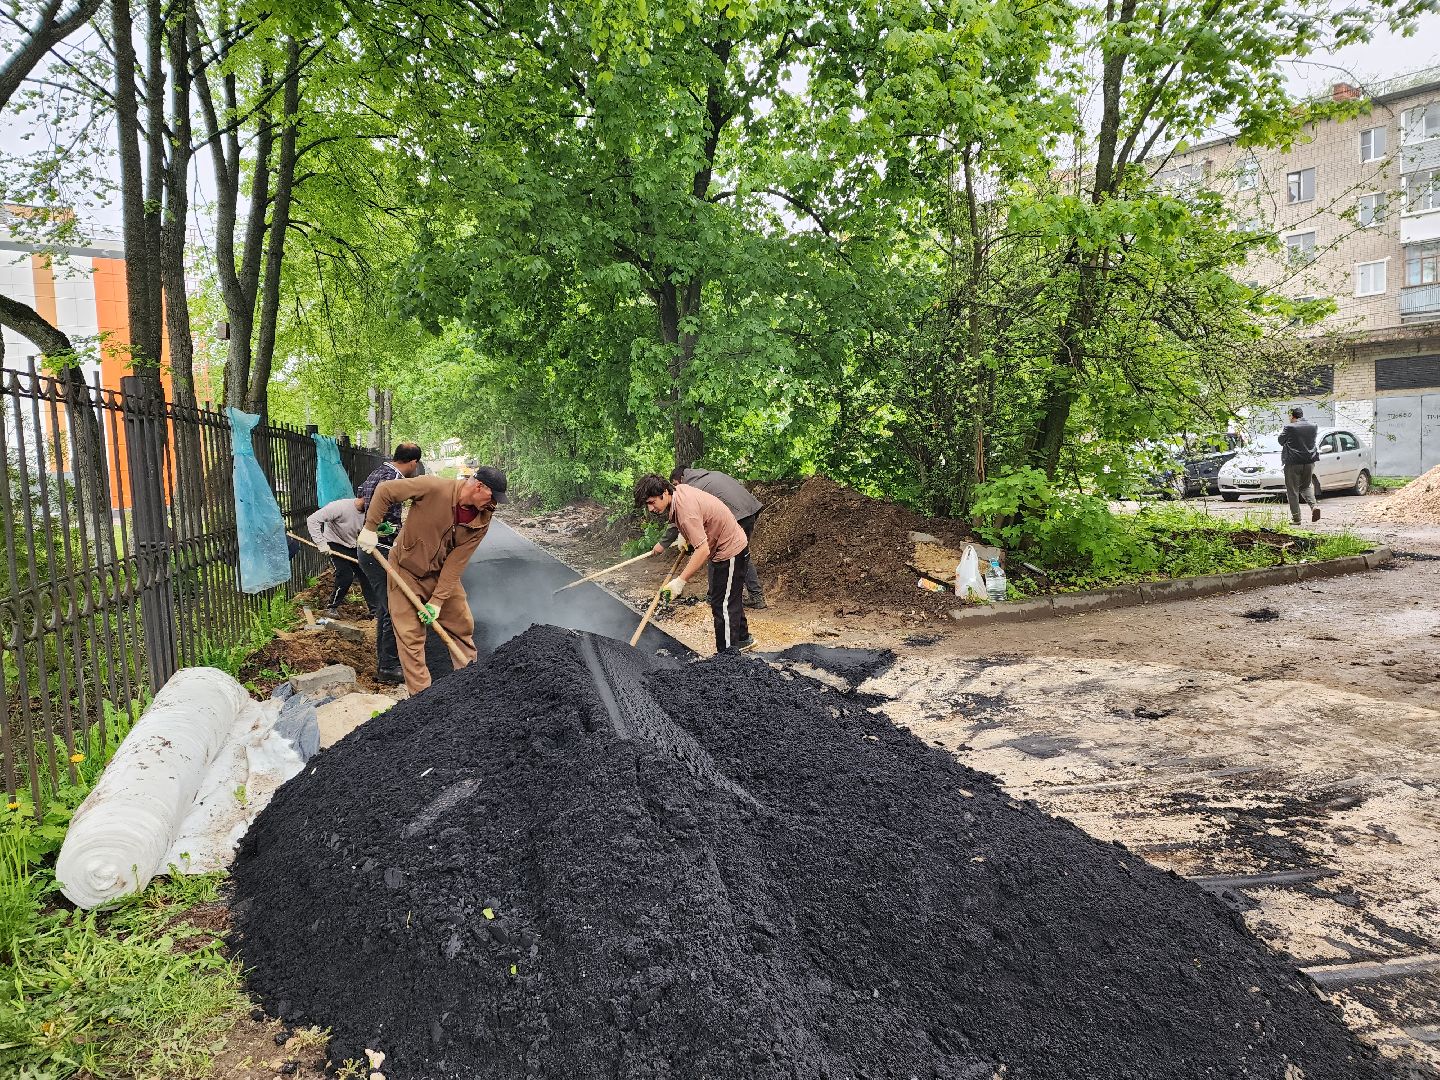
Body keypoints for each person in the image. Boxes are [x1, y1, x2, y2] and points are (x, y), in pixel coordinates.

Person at [357, 466, 507, 693]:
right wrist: (370, 528)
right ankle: (422, 699)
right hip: (405, 570)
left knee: (461, 624)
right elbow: (386, 490)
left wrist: (437, 602)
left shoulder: (483, 519)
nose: (494, 504)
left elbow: (456, 562)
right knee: (410, 637)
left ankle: (470, 685)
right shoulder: (434, 487)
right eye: (493, 497)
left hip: (439, 573)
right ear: (479, 486)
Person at [634, 473, 754, 654]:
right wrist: (678, 538)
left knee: (724, 605)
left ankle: (727, 659)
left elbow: (702, 550)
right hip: (720, 546)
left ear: (665, 493)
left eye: (652, 502)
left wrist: (680, 581)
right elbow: (690, 519)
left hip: (730, 550)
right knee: (724, 598)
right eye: (647, 504)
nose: (650, 509)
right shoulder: (678, 492)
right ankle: (743, 639)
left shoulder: (685, 513)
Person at [653, 466, 766, 609]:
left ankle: (714, 597)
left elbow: (683, 514)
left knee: (718, 552)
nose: (675, 489)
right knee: (740, 555)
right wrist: (686, 536)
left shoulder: (689, 487)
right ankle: (754, 596)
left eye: (675, 484)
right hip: (749, 508)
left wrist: (662, 544)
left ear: (681, 479)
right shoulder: (704, 476)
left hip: (737, 515)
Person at [356, 444, 424, 683]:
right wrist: (384, 529)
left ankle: (388, 664)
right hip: (378, 550)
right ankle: (389, 667)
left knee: (388, 605)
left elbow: (360, 502)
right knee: (393, 607)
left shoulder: (376, 472)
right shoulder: (395, 478)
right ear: (413, 462)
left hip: (371, 546)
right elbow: (385, 512)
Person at [306, 497, 381, 618]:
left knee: (366, 574)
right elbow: (312, 520)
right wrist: (321, 543)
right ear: (365, 499)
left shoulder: (370, 513)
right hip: (336, 543)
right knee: (345, 575)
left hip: (355, 544)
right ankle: (332, 607)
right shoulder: (339, 507)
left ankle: (375, 610)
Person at [1278, 406, 1321, 525]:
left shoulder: (1289, 427)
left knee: (1292, 491)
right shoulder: (1313, 426)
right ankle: (1314, 507)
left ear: (1292, 416)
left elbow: (1280, 441)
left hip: (1293, 462)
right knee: (1306, 486)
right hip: (1309, 461)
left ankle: (1296, 519)